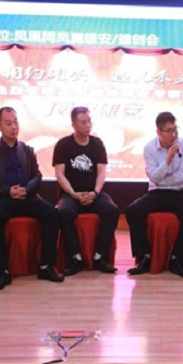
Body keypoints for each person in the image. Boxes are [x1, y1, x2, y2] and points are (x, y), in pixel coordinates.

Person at [0, 107, 63, 291]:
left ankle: (46, 266)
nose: (13, 127)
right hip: (2, 197)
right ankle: (2, 271)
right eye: (8, 123)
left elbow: (37, 176)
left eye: (16, 122)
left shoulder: (28, 150)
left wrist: (26, 189)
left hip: (26, 196)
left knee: (51, 214)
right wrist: (8, 191)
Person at [126, 112, 183, 278]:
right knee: (133, 211)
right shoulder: (149, 148)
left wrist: (161, 178)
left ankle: (177, 259)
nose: (174, 135)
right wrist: (168, 160)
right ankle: (145, 257)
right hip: (156, 193)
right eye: (169, 131)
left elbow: (182, 177)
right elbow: (153, 178)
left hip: (178, 192)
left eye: (175, 129)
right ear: (159, 132)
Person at [53, 107, 119, 275]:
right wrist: (73, 193)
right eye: (83, 122)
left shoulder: (97, 144)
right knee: (64, 212)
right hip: (71, 194)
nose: (88, 125)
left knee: (112, 210)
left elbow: (101, 172)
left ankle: (99, 257)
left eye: (89, 121)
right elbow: (60, 174)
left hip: (93, 193)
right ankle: (75, 258)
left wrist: (95, 193)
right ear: (73, 124)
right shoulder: (63, 145)